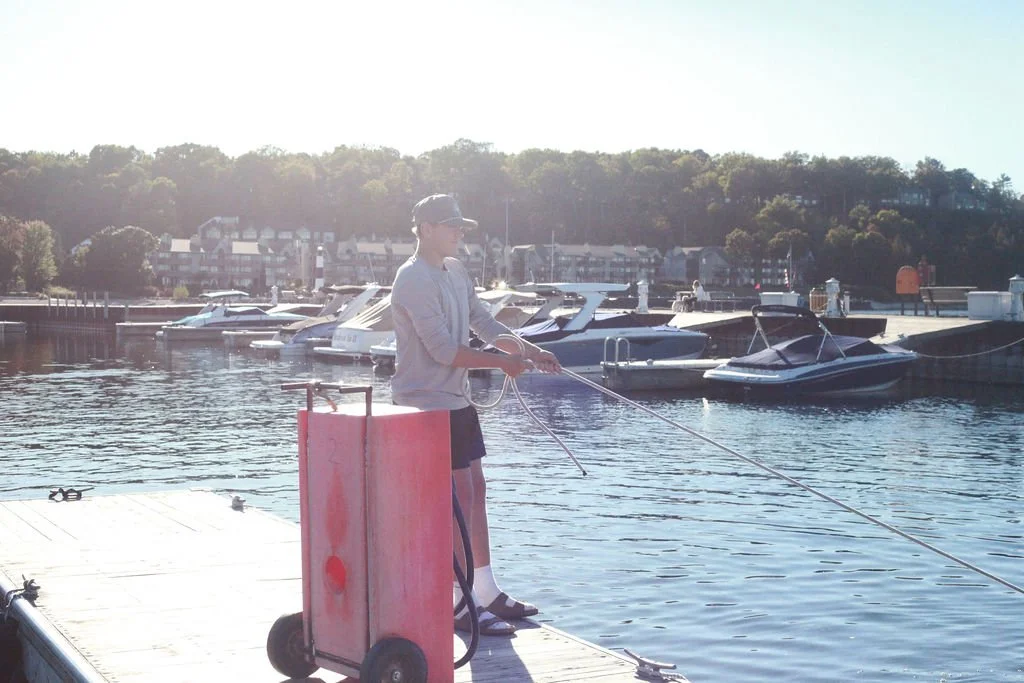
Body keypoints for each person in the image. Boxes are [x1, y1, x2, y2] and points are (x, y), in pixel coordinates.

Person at [390, 194, 562, 637]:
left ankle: (485, 591)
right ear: (425, 228)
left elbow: (484, 322)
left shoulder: (457, 271)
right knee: (457, 501)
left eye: (461, 225)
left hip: (457, 401)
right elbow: (444, 350)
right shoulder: (411, 279)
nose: (460, 232)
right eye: (451, 225)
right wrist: (502, 364)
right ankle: (459, 602)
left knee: (475, 492)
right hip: (424, 404)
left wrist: (528, 350)